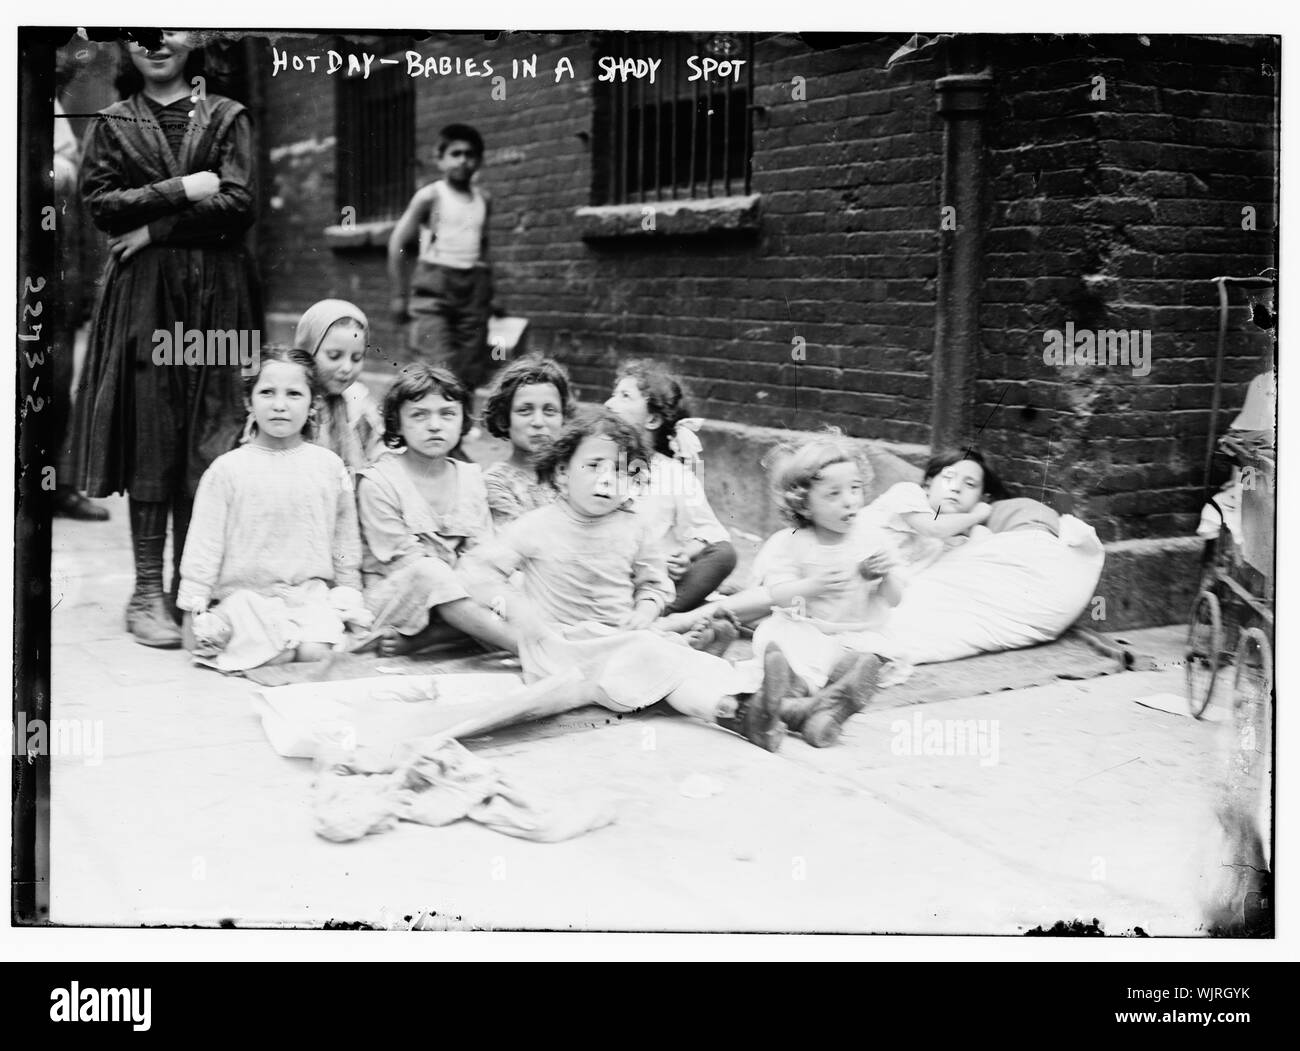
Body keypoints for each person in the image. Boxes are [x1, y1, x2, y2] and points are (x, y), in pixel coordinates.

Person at [73, 32, 260, 647]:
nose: (156, 42)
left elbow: (236, 202)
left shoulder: (228, 116)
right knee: (154, 426)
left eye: (171, 27)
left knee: (210, 426)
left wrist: (154, 226)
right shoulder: (111, 121)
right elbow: (101, 205)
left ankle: (192, 586)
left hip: (218, 298)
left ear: (197, 40)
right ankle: (147, 590)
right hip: (146, 299)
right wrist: (183, 189)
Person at [461, 408, 790, 751]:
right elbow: (476, 571)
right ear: (562, 473)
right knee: (662, 657)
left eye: (620, 470)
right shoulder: (536, 526)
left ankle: (781, 708)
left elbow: (654, 583)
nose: (607, 479)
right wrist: (515, 608)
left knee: (680, 662)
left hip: (620, 639)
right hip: (563, 652)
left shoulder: (634, 528)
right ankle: (741, 710)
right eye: (593, 466)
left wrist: (645, 609)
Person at [176, 347, 368, 671]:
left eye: (294, 394)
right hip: (247, 600)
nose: (280, 405)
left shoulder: (329, 466)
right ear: (249, 401)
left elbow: (344, 542)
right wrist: (190, 613)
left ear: (312, 404)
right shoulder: (227, 470)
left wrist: (350, 597)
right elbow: (203, 549)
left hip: (308, 597)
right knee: (275, 654)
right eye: (267, 393)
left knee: (313, 654)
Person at [355, 364, 517, 658]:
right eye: (419, 415)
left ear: (461, 422)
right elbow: (404, 563)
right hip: (398, 598)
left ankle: (437, 637)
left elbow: (482, 552)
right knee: (431, 571)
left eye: (447, 414)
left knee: (514, 577)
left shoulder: (470, 476)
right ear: (398, 423)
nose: (434, 425)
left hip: (460, 593)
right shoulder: (379, 482)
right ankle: (530, 649)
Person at [604, 360, 736, 615]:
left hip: (652, 579)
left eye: (625, 396)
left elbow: (707, 530)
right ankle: (683, 617)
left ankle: (660, 614)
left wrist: (686, 555)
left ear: (652, 419)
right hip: (604, 572)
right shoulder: (597, 459)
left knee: (724, 554)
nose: (609, 404)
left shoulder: (674, 473)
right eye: (613, 394)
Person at [388, 123, 494, 392]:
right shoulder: (430, 196)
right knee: (435, 363)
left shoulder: (483, 199)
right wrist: (400, 295)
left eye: (470, 154)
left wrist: (490, 292)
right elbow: (398, 243)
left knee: (470, 364)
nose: (463, 161)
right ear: (440, 158)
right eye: (455, 154)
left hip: (472, 289)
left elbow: (482, 244)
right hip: (434, 287)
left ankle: (461, 428)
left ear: (479, 160)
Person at [50, 55, 110, 522]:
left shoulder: (56, 119)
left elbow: (73, 187)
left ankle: (56, 487)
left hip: (53, 284)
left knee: (54, 385)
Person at [860, 448, 1007, 580]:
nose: (956, 488)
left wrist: (976, 528)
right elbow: (933, 528)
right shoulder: (908, 493)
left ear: (982, 498)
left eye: (970, 484)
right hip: (848, 561)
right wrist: (977, 516)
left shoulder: (958, 537)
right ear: (928, 484)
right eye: (948, 477)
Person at [293, 298, 382, 475]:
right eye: (334, 356)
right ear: (308, 351)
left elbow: (379, 451)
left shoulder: (358, 402)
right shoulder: (290, 399)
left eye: (357, 358)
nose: (347, 368)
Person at [481, 355, 571, 525]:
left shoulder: (572, 474)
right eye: (525, 410)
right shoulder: (495, 483)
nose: (538, 422)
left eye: (550, 410)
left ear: (562, 418)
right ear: (503, 420)